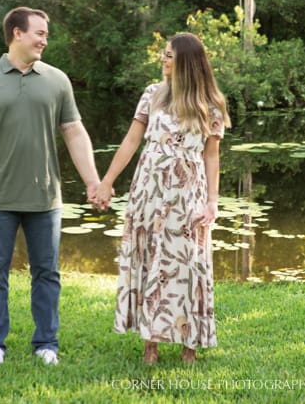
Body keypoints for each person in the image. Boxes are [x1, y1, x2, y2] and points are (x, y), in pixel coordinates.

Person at [0, 6, 103, 369]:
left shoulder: (57, 80)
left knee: (47, 273)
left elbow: (73, 132)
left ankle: (46, 343)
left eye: (46, 34)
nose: (44, 40)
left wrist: (92, 181)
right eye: (39, 33)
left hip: (45, 197)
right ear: (16, 33)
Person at [94, 32, 228, 365]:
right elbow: (130, 141)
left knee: (188, 261)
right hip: (149, 188)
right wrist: (107, 181)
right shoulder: (152, 94)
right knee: (150, 257)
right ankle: (150, 343)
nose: (163, 60)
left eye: (169, 55)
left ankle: (189, 344)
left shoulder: (210, 104)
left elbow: (212, 156)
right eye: (163, 55)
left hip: (188, 191)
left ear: (186, 60)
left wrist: (212, 201)